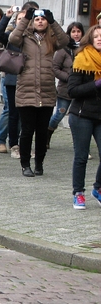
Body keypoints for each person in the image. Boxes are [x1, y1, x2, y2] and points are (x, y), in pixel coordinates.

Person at [9, 7, 69, 176]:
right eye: (37, 19)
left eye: (43, 19)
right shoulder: (25, 37)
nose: (40, 21)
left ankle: (39, 163)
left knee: (42, 131)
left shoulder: (52, 38)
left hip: (46, 91)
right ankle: (25, 164)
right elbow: (13, 38)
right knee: (27, 130)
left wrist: (53, 22)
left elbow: (64, 40)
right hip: (26, 90)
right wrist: (25, 19)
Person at [0, 2, 39, 158]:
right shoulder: (12, 38)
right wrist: (7, 16)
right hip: (13, 80)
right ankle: (14, 144)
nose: (22, 22)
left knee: (29, 116)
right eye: (19, 19)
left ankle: (26, 144)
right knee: (13, 113)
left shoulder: (36, 38)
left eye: (25, 19)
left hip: (31, 81)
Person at [67, 24, 101, 209]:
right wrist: (95, 85)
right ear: (90, 39)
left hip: (100, 115)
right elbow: (72, 90)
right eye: (96, 36)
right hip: (82, 115)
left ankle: (98, 188)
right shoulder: (81, 59)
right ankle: (78, 193)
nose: (99, 39)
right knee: (81, 156)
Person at [48, 21, 84, 148]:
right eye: (73, 31)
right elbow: (55, 67)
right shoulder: (64, 50)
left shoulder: (85, 49)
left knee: (79, 119)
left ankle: (79, 144)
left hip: (80, 91)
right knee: (59, 115)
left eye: (78, 31)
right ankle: (47, 135)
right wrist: (69, 78)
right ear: (69, 33)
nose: (76, 34)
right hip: (65, 91)